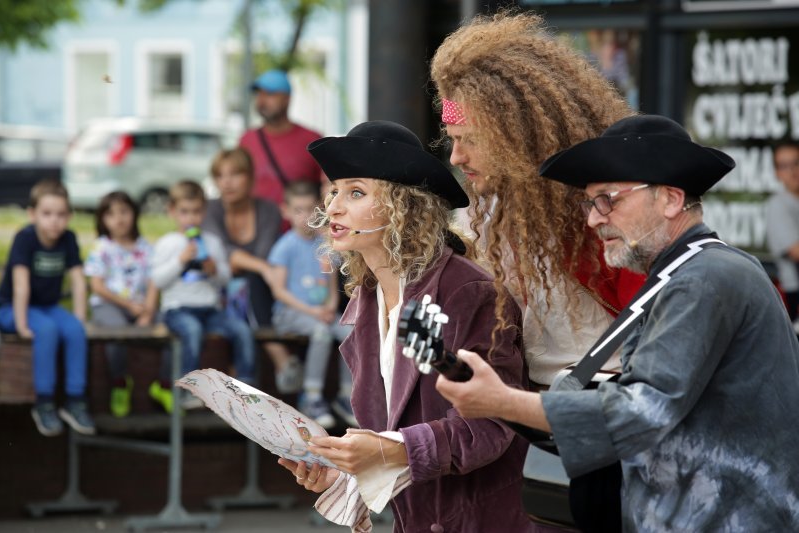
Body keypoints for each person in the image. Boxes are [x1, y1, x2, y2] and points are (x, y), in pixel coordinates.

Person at [436, 115, 799, 531]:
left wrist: (502, 402)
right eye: (591, 203)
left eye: (609, 200)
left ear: (670, 199)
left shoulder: (705, 277)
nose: (593, 219)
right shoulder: (685, 273)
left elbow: (642, 409)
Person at [276, 121, 536, 533]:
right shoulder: (366, 298)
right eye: (335, 190)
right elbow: (395, 436)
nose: (334, 207)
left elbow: (490, 425)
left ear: (405, 206)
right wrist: (344, 475)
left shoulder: (467, 290)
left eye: (356, 192)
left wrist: (381, 450)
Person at [430, 11, 646, 388]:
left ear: (515, 137)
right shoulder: (483, 211)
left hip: (607, 408)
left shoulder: (600, 209)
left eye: (471, 140)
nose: (456, 157)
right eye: (453, 138)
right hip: (533, 412)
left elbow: (657, 330)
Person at [202, 147, 303, 394]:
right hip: (220, 288)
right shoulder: (210, 209)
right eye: (220, 176)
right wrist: (258, 267)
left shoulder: (267, 210)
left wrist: (253, 265)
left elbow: (265, 253)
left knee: (251, 282)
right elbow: (222, 254)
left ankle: (244, 384)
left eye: (235, 174)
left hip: (259, 290)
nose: (227, 182)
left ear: (250, 177)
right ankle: (279, 359)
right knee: (249, 282)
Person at [0, 180, 95, 436]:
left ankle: (75, 401)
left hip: (47, 307)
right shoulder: (25, 238)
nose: (55, 221)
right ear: (32, 214)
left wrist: (80, 317)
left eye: (61, 214)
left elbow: (77, 280)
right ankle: (44, 403)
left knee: (75, 330)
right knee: (47, 330)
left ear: (70, 216)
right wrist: (21, 324)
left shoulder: (69, 238)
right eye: (47, 214)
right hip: (12, 308)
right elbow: (20, 285)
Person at [150, 180, 257, 409]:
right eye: (184, 212)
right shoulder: (168, 243)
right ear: (172, 212)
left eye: (196, 212)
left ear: (204, 212)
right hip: (178, 309)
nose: (191, 218)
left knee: (241, 329)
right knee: (192, 330)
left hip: (210, 309)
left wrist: (214, 270)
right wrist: (180, 261)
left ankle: (246, 385)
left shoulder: (212, 242)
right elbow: (158, 280)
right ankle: (186, 391)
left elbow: (226, 279)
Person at [266, 180, 354, 429]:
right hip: (292, 314)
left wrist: (330, 306)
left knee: (350, 333)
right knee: (321, 332)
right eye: (297, 210)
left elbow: (331, 283)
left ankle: (346, 396)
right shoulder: (284, 247)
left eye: (308, 209)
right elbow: (279, 291)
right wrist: (313, 312)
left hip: (321, 312)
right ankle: (312, 397)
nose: (304, 216)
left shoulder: (324, 244)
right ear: (286, 211)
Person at [85, 191, 162, 417]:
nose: (119, 219)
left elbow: (153, 282)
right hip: (108, 305)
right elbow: (97, 286)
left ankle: (165, 385)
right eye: (111, 214)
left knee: (171, 325)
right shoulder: (101, 247)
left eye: (124, 212)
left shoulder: (146, 247)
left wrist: (148, 311)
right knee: (117, 332)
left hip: (140, 307)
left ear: (134, 214)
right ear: (102, 220)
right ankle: (119, 383)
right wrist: (128, 305)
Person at [239, 68, 323, 208]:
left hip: (301, 228)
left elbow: (327, 190)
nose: (261, 100)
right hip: (260, 228)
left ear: (287, 98)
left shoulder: (312, 140)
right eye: (259, 94)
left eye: (270, 94)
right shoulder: (247, 140)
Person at [766, 141, 799, 321]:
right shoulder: (778, 205)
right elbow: (795, 252)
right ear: (777, 173)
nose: (793, 171)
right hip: (794, 292)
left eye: (796, 163)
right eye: (784, 166)